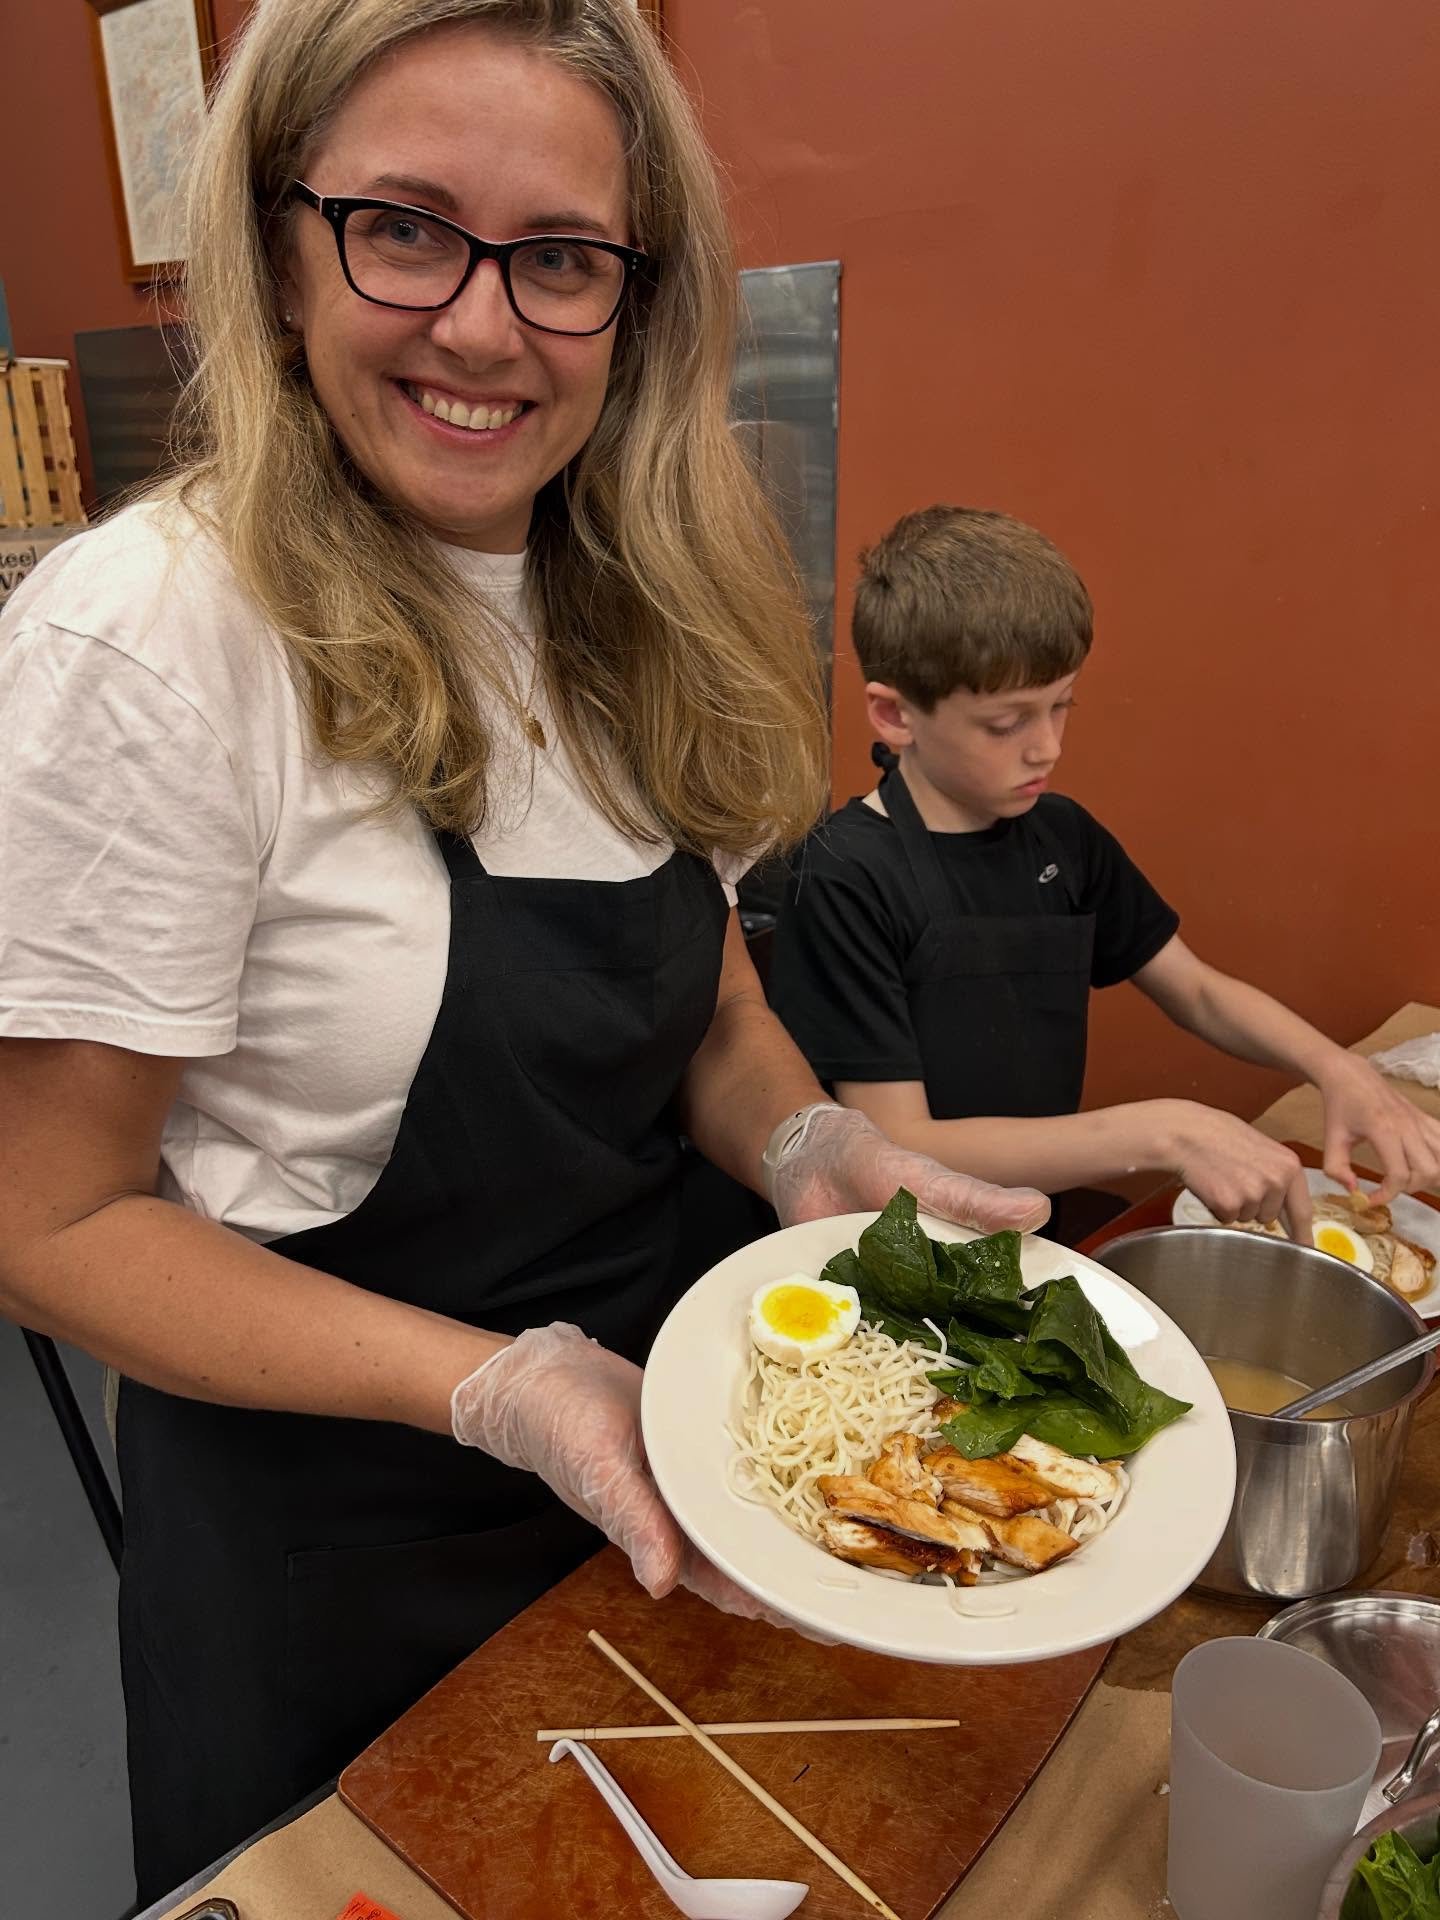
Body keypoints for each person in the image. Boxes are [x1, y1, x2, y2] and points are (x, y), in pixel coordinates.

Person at [0, 12, 1047, 1902]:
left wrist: (815, 1150)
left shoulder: (645, 584)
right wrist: (497, 1386)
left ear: (635, 305)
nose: (483, 329)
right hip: (334, 1527)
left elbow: (708, 1001)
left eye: (560, 259)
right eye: (405, 228)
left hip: (672, 1441)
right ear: (281, 239)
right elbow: (51, 1224)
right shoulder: (153, 641)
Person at [770, 505, 1440, 1244]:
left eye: (1062, 707)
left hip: (1030, 1228)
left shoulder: (1065, 837)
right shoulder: (846, 872)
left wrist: (1338, 1068)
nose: (1046, 747)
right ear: (895, 716)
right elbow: (901, 1143)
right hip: (898, 1241)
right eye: (1007, 723)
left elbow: (1199, 991)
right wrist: (1167, 1132)